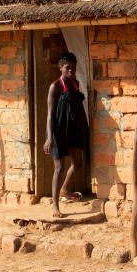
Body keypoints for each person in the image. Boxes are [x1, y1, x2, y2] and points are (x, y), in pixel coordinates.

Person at [43, 51, 88, 218]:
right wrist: (49, 137)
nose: (71, 70)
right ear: (60, 68)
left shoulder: (75, 83)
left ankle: (65, 189)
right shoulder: (55, 86)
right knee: (59, 167)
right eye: (68, 67)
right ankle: (55, 205)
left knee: (78, 163)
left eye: (73, 67)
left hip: (73, 130)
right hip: (58, 131)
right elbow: (50, 114)